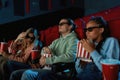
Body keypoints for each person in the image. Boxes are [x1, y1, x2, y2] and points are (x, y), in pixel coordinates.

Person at [9, 18, 79, 80]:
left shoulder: (73, 40)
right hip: (48, 67)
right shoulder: (57, 41)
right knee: (15, 74)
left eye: (62, 23)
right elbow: (43, 51)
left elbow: (71, 57)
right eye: (59, 24)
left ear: (70, 26)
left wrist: (48, 60)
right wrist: (45, 50)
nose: (59, 25)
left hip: (60, 71)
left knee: (27, 74)